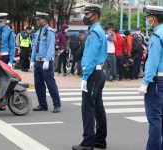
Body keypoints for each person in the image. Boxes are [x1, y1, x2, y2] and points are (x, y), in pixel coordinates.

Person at [72, 4, 107, 150]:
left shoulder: (94, 33)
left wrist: (85, 77)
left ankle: (88, 143)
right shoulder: (99, 31)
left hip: (92, 74)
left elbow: (91, 57)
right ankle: (100, 140)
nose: (85, 17)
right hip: (98, 73)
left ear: (96, 15)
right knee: (98, 107)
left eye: (88, 15)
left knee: (88, 108)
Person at [138, 5, 163, 150]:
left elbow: (153, 61)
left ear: (153, 18)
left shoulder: (157, 35)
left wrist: (145, 82)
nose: (148, 20)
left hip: (156, 80)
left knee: (155, 118)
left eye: (148, 18)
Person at [30, 12, 61, 113]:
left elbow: (50, 47)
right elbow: (34, 47)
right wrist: (32, 60)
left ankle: (57, 104)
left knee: (50, 84)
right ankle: (43, 104)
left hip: (46, 62)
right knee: (38, 84)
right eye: (37, 20)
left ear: (44, 20)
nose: (38, 21)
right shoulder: (38, 32)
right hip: (38, 62)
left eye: (39, 19)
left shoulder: (50, 31)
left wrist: (47, 59)